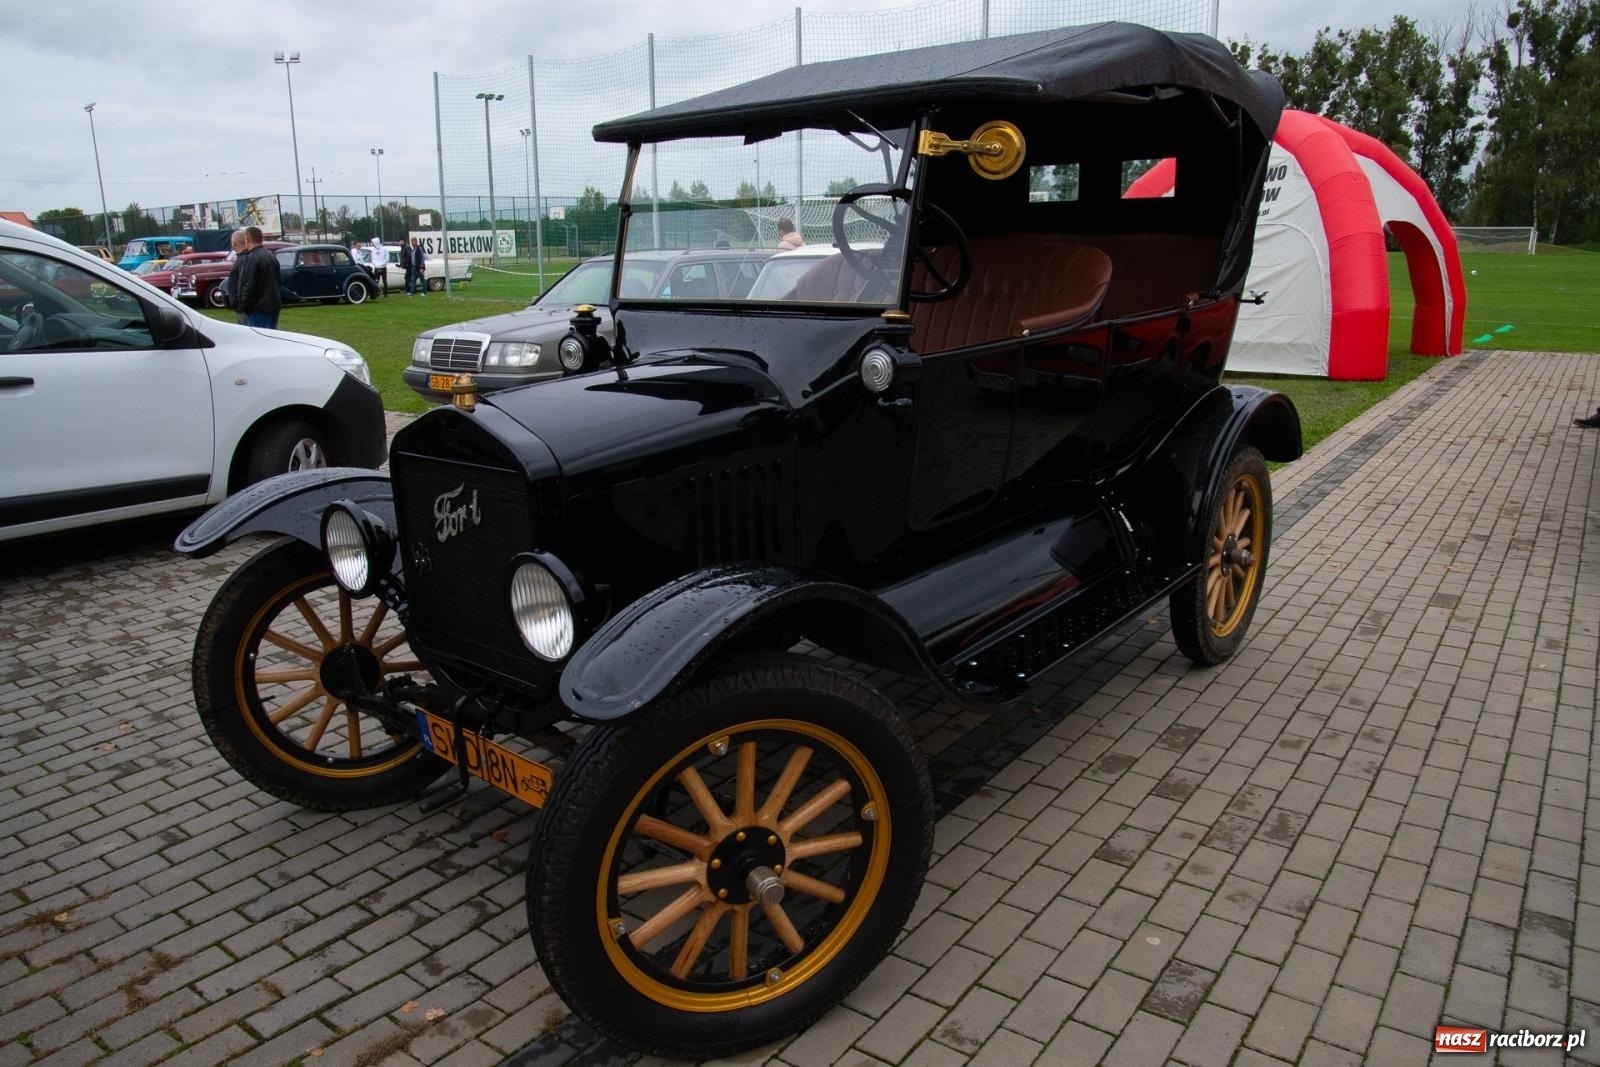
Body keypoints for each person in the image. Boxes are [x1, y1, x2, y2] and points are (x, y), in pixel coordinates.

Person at [233, 226, 282, 328]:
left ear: (247, 239)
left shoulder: (252, 258)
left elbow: (249, 284)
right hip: (273, 306)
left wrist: (243, 305)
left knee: (259, 340)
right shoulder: (271, 256)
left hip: (258, 309)